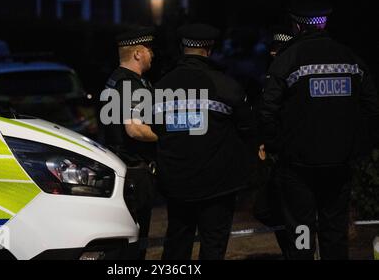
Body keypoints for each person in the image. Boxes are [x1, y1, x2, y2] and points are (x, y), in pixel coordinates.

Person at [259, 0, 379, 260]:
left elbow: (267, 112)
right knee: (334, 234)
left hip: (298, 168)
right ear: (324, 23)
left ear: (296, 25)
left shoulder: (287, 60)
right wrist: (355, 148)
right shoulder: (350, 58)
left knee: (301, 235)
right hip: (339, 165)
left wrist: (281, 147)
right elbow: (372, 109)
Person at [153, 24, 252, 260]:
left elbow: (152, 129)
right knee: (213, 247)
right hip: (218, 186)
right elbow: (248, 127)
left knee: (177, 245)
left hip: (177, 185)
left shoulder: (160, 88)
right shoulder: (227, 86)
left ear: (182, 48)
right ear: (209, 50)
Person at [102, 27, 158, 259]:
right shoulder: (129, 84)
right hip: (134, 172)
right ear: (137, 53)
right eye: (148, 49)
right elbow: (134, 128)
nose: (152, 54)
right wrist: (166, 137)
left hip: (123, 170)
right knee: (134, 246)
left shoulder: (118, 79)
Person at [253, 25, 293, 259]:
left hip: (288, 152)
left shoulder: (289, 75)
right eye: (273, 49)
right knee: (268, 209)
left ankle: (297, 252)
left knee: (279, 208)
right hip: (277, 153)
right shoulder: (273, 75)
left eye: (278, 49)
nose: (272, 53)